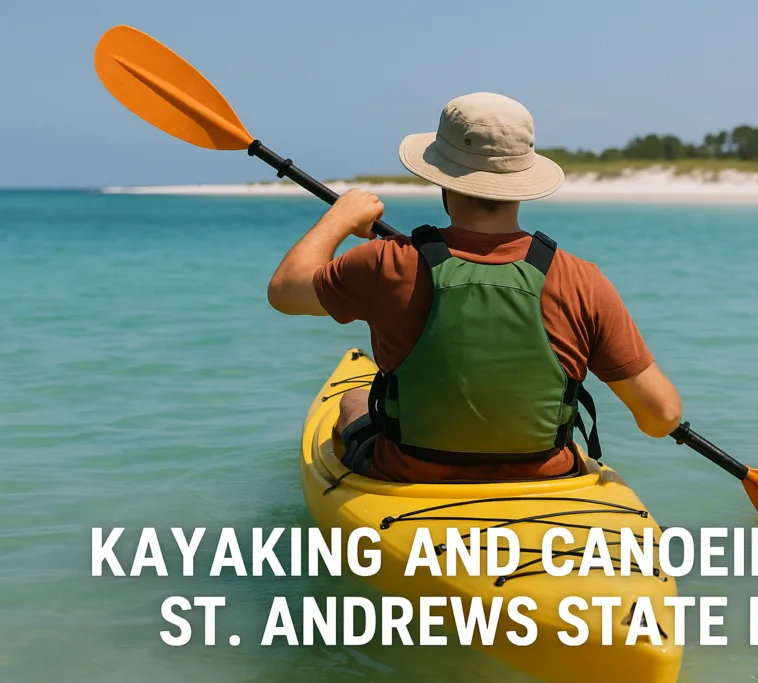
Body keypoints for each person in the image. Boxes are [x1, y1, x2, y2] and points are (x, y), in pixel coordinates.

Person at [267, 92, 681, 482]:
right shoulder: (581, 279)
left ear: (443, 178)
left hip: (409, 475)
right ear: (523, 179)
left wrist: (340, 217)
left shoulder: (387, 262)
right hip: (549, 480)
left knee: (353, 399)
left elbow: (285, 291)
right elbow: (661, 416)